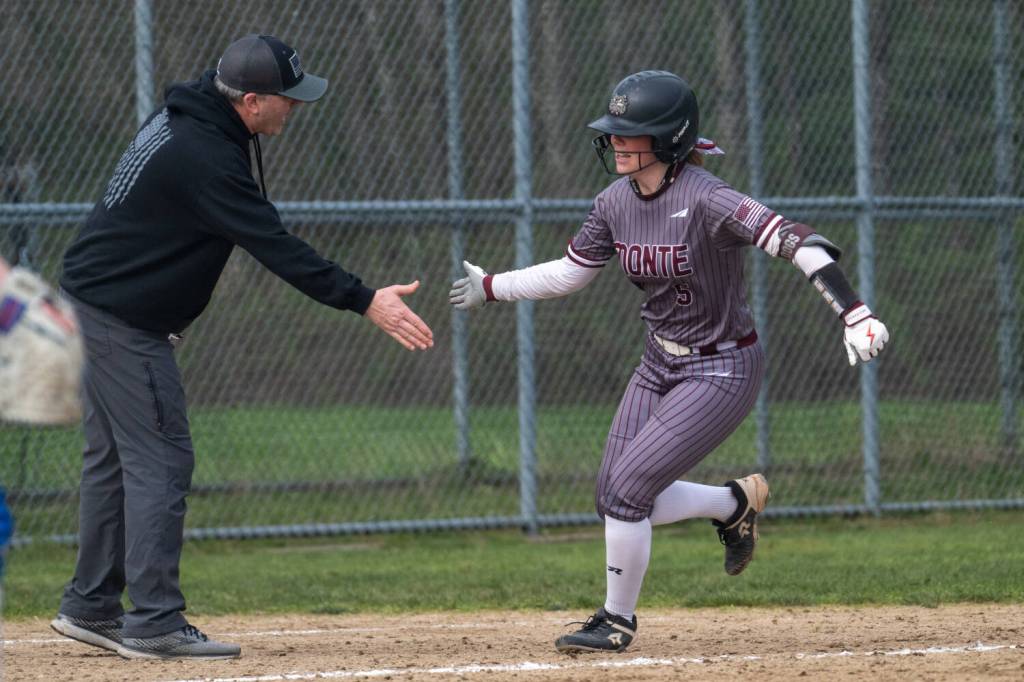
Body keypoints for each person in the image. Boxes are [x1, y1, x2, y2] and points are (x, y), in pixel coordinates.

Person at [449, 70, 889, 654]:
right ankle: (732, 504)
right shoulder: (612, 202)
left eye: (634, 135)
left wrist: (853, 312)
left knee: (629, 491)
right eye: (615, 134)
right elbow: (572, 272)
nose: (617, 143)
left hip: (723, 367)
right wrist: (496, 287)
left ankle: (615, 619)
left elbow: (798, 242)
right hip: (659, 363)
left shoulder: (709, 198)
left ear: (673, 140)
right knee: (614, 495)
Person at [50, 34, 434, 661]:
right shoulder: (204, 156)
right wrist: (365, 298)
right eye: (288, 100)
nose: (296, 109)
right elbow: (275, 245)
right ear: (250, 101)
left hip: (91, 305)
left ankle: (91, 605)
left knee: (116, 462)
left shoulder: (193, 117)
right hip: (120, 321)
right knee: (161, 461)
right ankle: (153, 621)